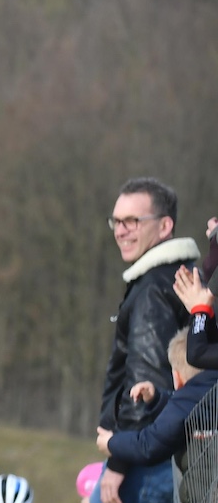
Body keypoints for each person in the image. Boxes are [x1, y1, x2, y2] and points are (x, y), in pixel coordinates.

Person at [91, 330, 213, 503]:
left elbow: (148, 445)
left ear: (177, 377)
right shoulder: (209, 396)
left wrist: (111, 443)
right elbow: (188, 412)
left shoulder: (183, 405)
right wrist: (157, 399)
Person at [100, 177, 196, 438]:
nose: (120, 231)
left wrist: (120, 458)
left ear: (165, 225)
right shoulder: (183, 274)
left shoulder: (152, 289)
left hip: (148, 455)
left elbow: (146, 385)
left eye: (131, 221)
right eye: (116, 222)